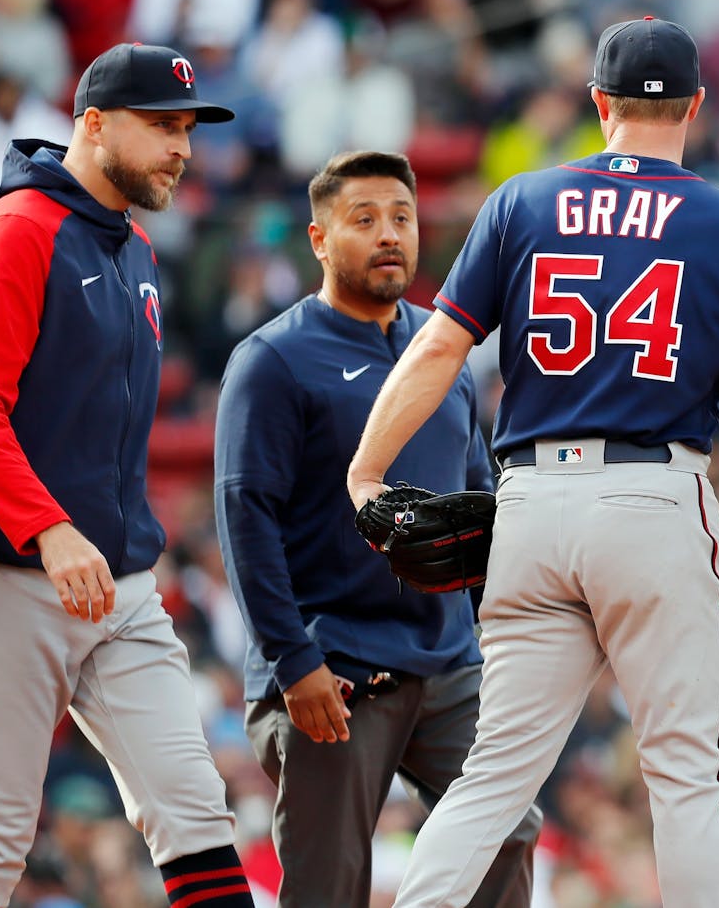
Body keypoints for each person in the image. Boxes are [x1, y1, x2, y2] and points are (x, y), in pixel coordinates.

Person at [348, 16, 719, 907]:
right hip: (653, 496)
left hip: (532, 503)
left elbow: (440, 351)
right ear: (697, 107)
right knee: (686, 774)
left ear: (599, 103)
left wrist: (366, 470)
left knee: (492, 777)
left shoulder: (522, 201)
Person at [213, 150, 540, 908]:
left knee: (507, 828)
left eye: (401, 217)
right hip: (334, 665)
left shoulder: (443, 350)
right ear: (320, 239)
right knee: (329, 888)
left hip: (447, 657)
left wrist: (500, 615)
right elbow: (244, 519)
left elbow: (479, 490)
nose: (389, 234)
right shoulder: (271, 359)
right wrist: (293, 661)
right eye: (364, 220)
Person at [0, 43, 253, 908]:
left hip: (119, 589)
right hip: (11, 576)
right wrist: (50, 528)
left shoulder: (134, 247)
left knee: (199, 812)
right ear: (93, 124)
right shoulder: (20, 229)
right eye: (161, 126)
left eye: (186, 129)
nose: (181, 146)